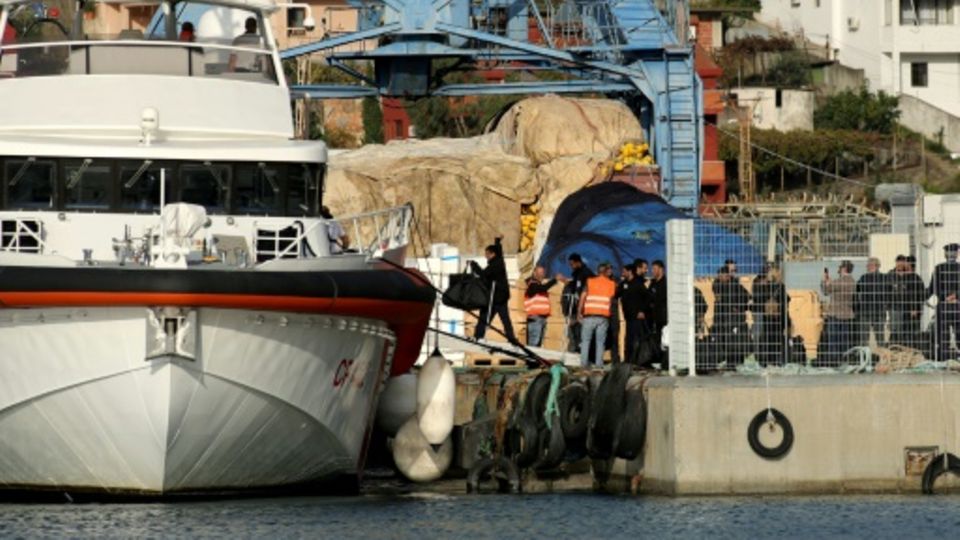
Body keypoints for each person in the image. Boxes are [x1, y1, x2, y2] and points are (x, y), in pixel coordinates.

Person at [578, 262, 616, 367]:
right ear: (605, 272)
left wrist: (578, 312)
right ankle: (599, 365)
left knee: (585, 341)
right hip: (603, 317)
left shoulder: (590, 282)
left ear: (597, 271)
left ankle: (584, 365)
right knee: (600, 343)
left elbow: (582, 297)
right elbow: (611, 297)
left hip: (589, 316)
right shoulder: (611, 284)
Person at [712, 263, 751, 363]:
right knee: (721, 339)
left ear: (728, 276)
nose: (720, 278)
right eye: (719, 275)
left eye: (723, 276)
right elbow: (722, 300)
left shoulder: (735, 286)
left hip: (734, 319)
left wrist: (738, 307)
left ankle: (735, 360)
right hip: (721, 318)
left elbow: (747, 297)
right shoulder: (717, 285)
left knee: (734, 340)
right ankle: (722, 359)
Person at [819, 260, 856, 365]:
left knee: (834, 340)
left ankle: (833, 361)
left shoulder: (841, 281)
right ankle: (845, 360)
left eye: (840, 268)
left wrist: (824, 280)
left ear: (844, 268)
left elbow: (826, 290)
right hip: (847, 315)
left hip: (836, 315)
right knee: (845, 341)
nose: (838, 270)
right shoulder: (852, 281)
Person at [928, 243, 960, 360]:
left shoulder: (939, 268)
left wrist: (945, 296)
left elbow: (933, 288)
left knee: (943, 333)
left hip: (944, 305)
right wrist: (956, 295)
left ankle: (943, 357)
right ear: (957, 254)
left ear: (944, 254)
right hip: (957, 305)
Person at [557, 253, 594, 353]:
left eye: (572, 264)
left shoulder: (586, 274)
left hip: (582, 310)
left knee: (580, 334)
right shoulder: (576, 274)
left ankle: (582, 355)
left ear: (578, 262)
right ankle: (573, 353)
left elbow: (584, 292)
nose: (571, 266)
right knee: (572, 334)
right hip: (573, 309)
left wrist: (580, 311)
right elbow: (573, 287)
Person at [753, 265, 789, 366]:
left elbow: (786, 300)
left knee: (776, 339)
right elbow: (758, 299)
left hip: (778, 318)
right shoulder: (765, 286)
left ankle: (776, 361)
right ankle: (765, 360)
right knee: (767, 338)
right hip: (768, 318)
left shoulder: (781, 286)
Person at [619, 263, 651, 365]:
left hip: (637, 317)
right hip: (628, 317)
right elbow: (616, 294)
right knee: (628, 340)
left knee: (637, 339)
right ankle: (627, 360)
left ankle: (638, 360)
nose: (623, 273)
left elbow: (648, 297)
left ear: (630, 272)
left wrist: (642, 310)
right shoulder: (624, 284)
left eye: (624, 271)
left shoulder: (638, 284)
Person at [890, 255, 925, 350]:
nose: (904, 265)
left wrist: (914, 308)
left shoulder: (915, 278)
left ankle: (913, 350)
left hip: (913, 311)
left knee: (913, 332)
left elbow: (917, 294)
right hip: (904, 310)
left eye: (906, 263)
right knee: (903, 332)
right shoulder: (904, 277)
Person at [854, 257, 889, 348]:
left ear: (875, 266)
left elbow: (856, 292)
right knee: (876, 338)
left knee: (868, 339)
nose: (867, 266)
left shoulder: (865, 278)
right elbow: (856, 292)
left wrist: (857, 308)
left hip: (869, 311)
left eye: (869, 265)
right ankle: (876, 357)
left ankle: (868, 358)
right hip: (875, 311)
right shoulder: (883, 278)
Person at [523, 265, 556, 347]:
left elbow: (542, 289)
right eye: (540, 272)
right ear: (534, 273)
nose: (542, 275)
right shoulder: (532, 284)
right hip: (535, 318)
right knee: (533, 343)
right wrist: (554, 280)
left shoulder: (538, 285)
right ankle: (531, 360)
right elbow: (542, 288)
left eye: (543, 273)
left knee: (538, 344)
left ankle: (534, 359)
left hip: (542, 318)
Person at [648, 260, 668, 367]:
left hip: (663, 317)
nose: (652, 271)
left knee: (664, 339)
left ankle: (664, 361)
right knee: (655, 338)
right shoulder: (653, 283)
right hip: (653, 317)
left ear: (661, 269)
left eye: (654, 269)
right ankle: (657, 360)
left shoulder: (666, 283)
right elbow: (649, 297)